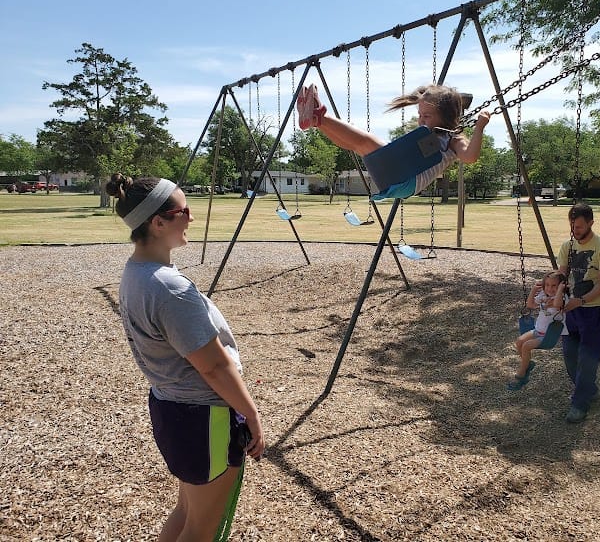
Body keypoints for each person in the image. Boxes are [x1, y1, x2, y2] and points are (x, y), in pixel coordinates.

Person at [106, 173, 265, 541]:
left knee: (187, 512)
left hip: (174, 409)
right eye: (184, 210)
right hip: (204, 418)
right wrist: (252, 415)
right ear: (158, 223)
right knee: (202, 529)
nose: (192, 217)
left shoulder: (137, 272)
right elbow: (213, 366)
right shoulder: (168, 287)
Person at [296, 83, 490, 199]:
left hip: (408, 181)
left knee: (367, 143)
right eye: (420, 115)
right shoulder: (428, 132)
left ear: (446, 116)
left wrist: (479, 128)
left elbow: (470, 157)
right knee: (357, 146)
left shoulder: (454, 139)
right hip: (397, 177)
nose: (421, 120)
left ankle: (320, 117)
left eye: (427, 116)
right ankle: (317, 122)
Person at [545, 202, 600, 423]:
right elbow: (562, 277)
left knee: (587, 357)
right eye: (572, 226)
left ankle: (579, 404)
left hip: (596, 307)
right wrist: (549, 288)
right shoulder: (568, 246)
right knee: (569, 355)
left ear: (591, 223)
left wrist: (581, 301)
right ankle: (588, 390)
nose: (575, 231)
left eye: (580, 227)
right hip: (571, 307)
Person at [507, 271, 569, 391]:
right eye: (547, 285)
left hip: (549, 335)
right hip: (538, 331)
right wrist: (534, 290)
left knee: (526, 346)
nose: (550, 288)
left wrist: (561, 290)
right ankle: (528, 364)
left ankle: (521, 374)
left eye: (554, 286)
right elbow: (530, 304)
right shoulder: (543, 295)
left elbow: (556, 304)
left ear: (561, 286)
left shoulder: (562, 298)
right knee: (519, 342)